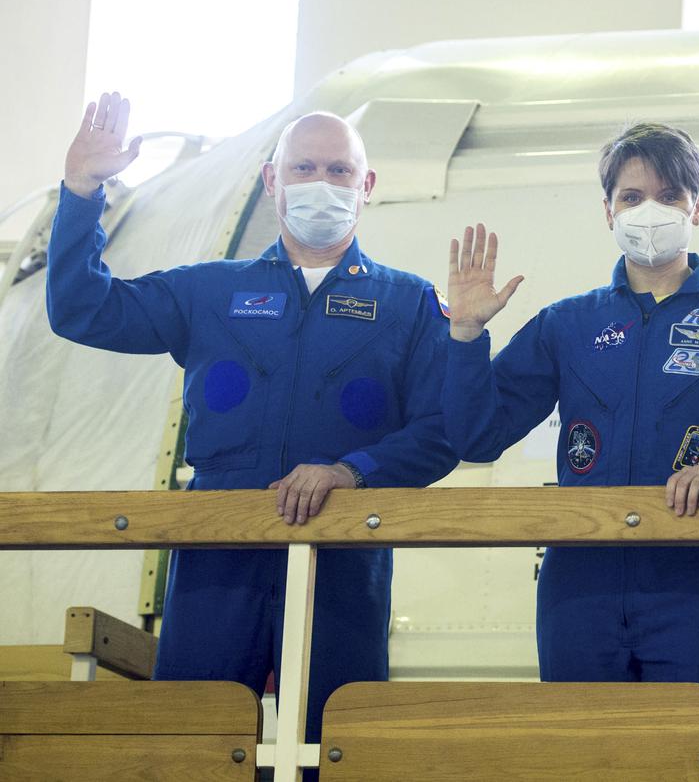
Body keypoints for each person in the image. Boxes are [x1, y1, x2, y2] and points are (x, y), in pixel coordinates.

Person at [47, 92, 458, 746]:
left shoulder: (409, 305)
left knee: (336, 742)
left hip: (344, 554)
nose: (320, 183)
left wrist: (352, 472)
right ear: (273, 181)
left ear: (366, 185)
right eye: (302, 168)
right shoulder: (210, 289)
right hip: (217, 547)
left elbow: (443, 430)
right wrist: (82, 190)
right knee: (194, 739)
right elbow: (81, 308)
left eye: (338, 170)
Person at [443, 123, 699, 756]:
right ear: (608, 211)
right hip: (579, 584)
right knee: (583, 759)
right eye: (631, 197)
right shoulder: (567, 324)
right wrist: (466, 335)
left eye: (669, 194)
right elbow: (478, 437)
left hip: (696, 584)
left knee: (698, 757)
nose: (649, 210)